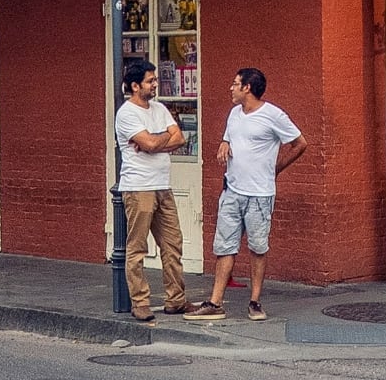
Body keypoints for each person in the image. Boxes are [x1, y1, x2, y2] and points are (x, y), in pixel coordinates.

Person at [183, 67, 306, 322]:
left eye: (235, 83)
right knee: (224, 246)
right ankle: (215, 302)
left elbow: (300, 143)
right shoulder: (234, 113)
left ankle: (255, 301)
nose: (231, 87)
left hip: (260, 194)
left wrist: (277, 168)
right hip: (232, 191)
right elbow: (230, 137)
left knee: (258, 248)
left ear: (247, 87)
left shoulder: (273, 115)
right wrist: (224, 142)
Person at [115, 59, 190, 322]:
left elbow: (180, 138)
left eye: (155, 79)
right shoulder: (126, 114)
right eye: (150, 81)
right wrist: (158, 140)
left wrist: (153, 142)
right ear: (135, 86)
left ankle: (176, 300)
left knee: (173, 244)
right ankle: (140, 302)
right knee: (137, 248)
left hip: (162, 184)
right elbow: (148, 144)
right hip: (138, 187)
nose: (155, 84)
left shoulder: (159, 108)